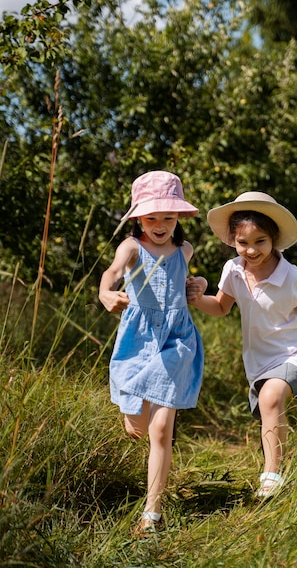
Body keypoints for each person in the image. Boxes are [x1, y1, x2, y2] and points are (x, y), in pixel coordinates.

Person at [187, 191, 297, 498]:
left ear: (274, 239)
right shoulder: (234, 271)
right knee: (268, 404)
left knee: (270, 398)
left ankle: (271, 477)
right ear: (232, 241)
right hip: (258, 359)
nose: (251, 250)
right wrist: (198, 299)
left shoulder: (290, 277)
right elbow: (221, 307)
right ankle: (277, 460)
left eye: (260, 241)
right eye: (243, 242)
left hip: (295, 352)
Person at [99, 170, 205, 535]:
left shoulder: (184, 250)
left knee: (161, 429)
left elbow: (189, 280)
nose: (160, 225)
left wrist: (199, 284)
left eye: (168, 217)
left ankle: (152, 513)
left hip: (176, 341)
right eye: (152, 217)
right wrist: (106, 294)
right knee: (138, 428)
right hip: (137, 341)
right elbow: (111, 273)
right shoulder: (132, 248)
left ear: (179, 218)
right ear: (138, 217)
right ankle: (134, 415)